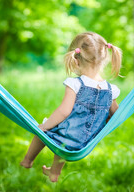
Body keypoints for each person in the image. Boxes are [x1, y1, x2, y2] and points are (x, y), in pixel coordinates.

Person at [20, 31, 122, 182]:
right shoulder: (110, 89)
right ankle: (54, 173)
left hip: (69, 136)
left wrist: (44, 126)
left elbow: (64, 111)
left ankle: (28, 160)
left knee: (43, 131)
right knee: (64, 141)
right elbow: (116, 114)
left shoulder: (75, 84)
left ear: (76, 60)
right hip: (87, 141)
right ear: (105, 58)